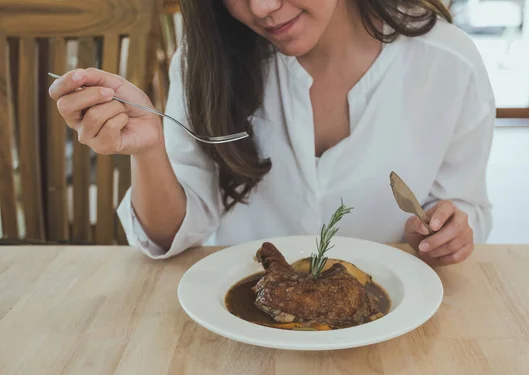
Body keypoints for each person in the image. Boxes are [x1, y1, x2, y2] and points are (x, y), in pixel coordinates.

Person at [48, 0, 495, 266]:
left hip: (391, 324)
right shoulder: (208, 61)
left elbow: (465, 204)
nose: (261, 8)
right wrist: (147, 151)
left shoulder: (448, 62)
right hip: (246, 327)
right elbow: (171, 235)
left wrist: (448, 231)